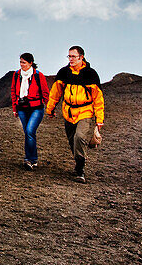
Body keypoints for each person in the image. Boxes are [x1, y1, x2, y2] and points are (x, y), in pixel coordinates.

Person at [45, 46, 105, 183]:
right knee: (72, 140)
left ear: (81, 57)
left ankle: (80, 169)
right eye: (69, 56)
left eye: (73, 56)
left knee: (80, 137)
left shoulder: (90, 74)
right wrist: (50, 109)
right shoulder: (64, 73)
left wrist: (99, 119)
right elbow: (55, 93)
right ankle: (79, 161)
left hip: (85, 111)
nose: (70, 59)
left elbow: (98, 98)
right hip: (68, 111)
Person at [11, 52, 50, 170]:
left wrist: (50, 108)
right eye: (20, 62)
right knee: (28, 133)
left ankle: (30, 159)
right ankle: (32, 159)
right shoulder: (17, 75)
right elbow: (13, 91)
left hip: (36, 108)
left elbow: (45, 92)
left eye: (24, 62)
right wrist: (15, 108)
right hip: (22, 107)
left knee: (29, 131)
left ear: (30, 63)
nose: (21, 64)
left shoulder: (38, 75)